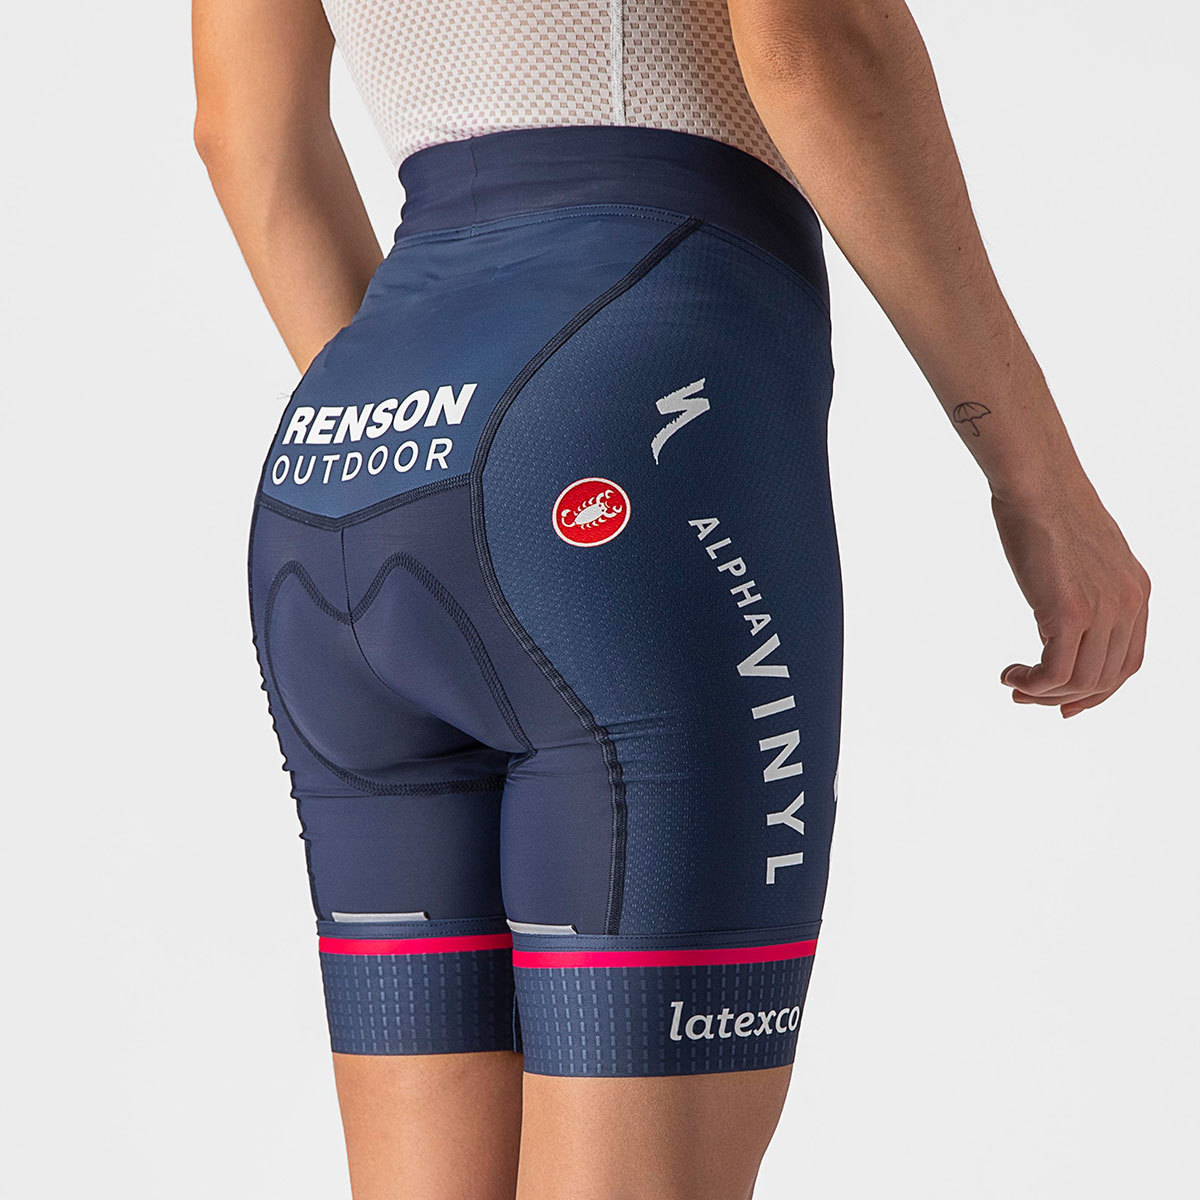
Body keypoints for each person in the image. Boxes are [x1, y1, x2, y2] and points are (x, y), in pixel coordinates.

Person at [192, 1, 1150, 1196]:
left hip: (353, 460)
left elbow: (244, 135)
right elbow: (813, 45)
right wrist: (1038, 482)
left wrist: (446, 457)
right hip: (621, 407)